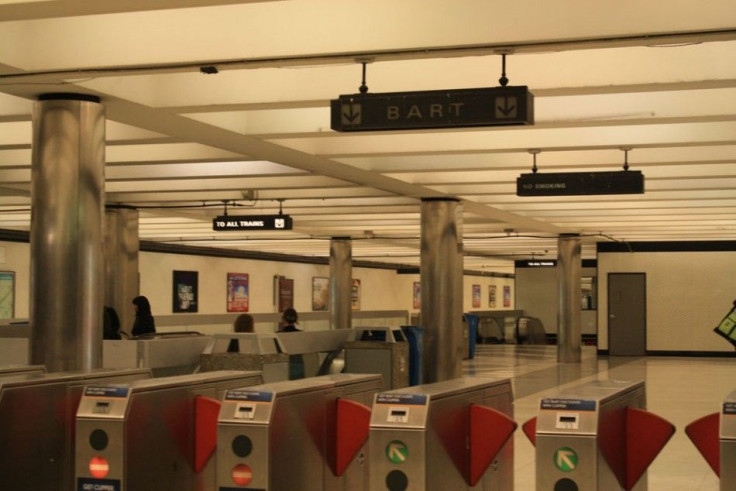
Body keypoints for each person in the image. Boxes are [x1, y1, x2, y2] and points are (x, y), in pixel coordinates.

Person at [278, 308, 304, 379]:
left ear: (283, 319)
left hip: (282, 367)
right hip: (298, 367)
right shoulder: (301, 334)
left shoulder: (277, 335)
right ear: (296, 320)